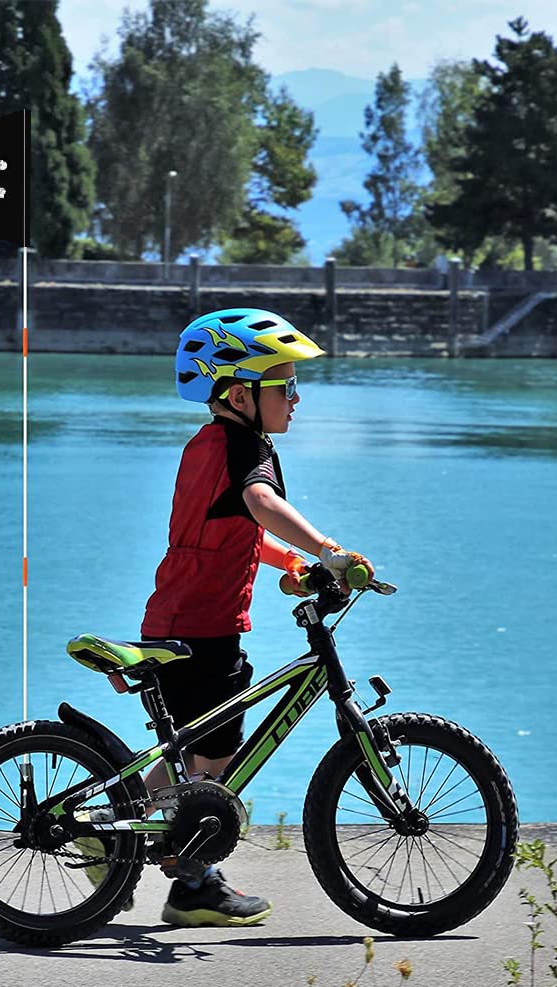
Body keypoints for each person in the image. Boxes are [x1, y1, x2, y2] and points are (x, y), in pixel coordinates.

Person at [140, 307, 375, 928]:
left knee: (190, 750)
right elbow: (259, 503)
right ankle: (193, 885)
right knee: (214, 759)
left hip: (175, 616)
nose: (296, 398)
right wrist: (328, 551)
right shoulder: (248, 448)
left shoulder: (206, 443)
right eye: (286, 385)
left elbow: (235, 528)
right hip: (207, 626)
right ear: (241, 393)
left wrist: (284, 563)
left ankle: (110, 835)